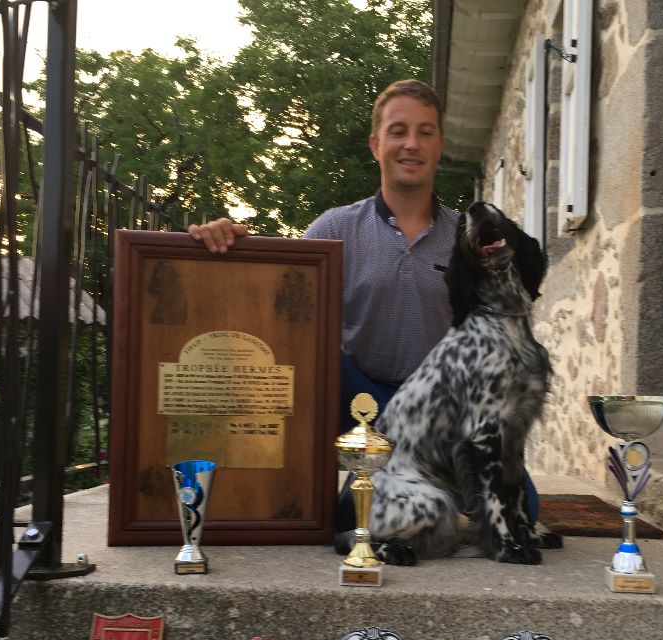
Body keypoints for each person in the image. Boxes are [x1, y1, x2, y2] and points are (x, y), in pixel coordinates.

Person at [189, 79, 539, 527]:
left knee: (523, 512)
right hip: (360, 400)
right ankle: (374, 485)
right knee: (322, 360)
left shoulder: (469, 238)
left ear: (440, 146)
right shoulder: (335, 229)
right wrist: (222, 244)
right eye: (398, 131)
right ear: (376, 145)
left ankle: (418, 481)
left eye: (425, 132)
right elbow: (273, 304)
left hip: (445, 408)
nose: (411, 144)